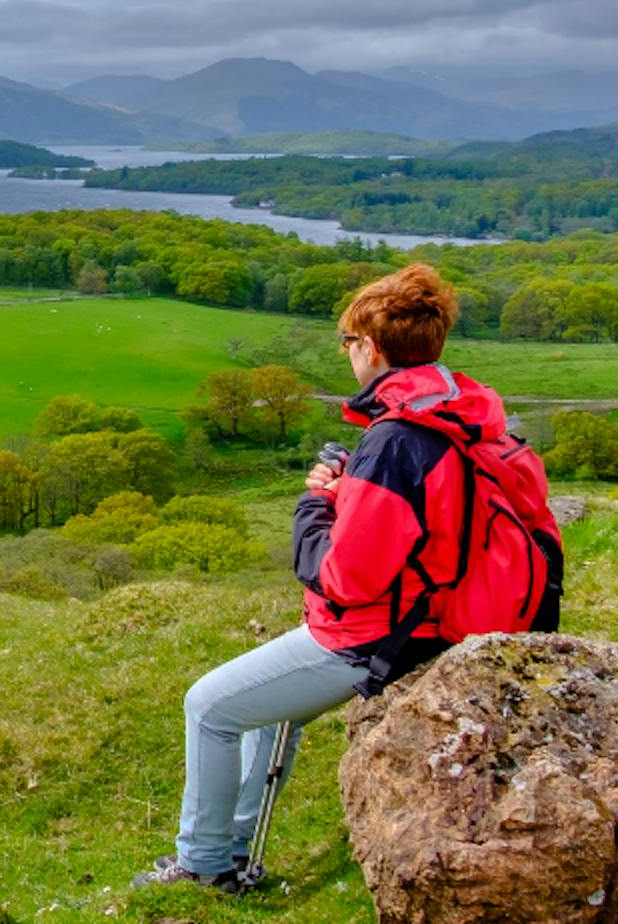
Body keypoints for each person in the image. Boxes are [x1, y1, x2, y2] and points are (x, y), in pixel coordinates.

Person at [132, 262, 560, 894]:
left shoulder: (397, 440)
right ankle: (230, 850)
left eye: (349, 341)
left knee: (210, 707)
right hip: (438, 615)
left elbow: (345, 577)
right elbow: (427, 522)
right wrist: (346, 494)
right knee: (261, 708)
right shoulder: (459, 412)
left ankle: (201, 865)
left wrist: (314, 505)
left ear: (372, 347)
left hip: (381, 634)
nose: (346, 352)